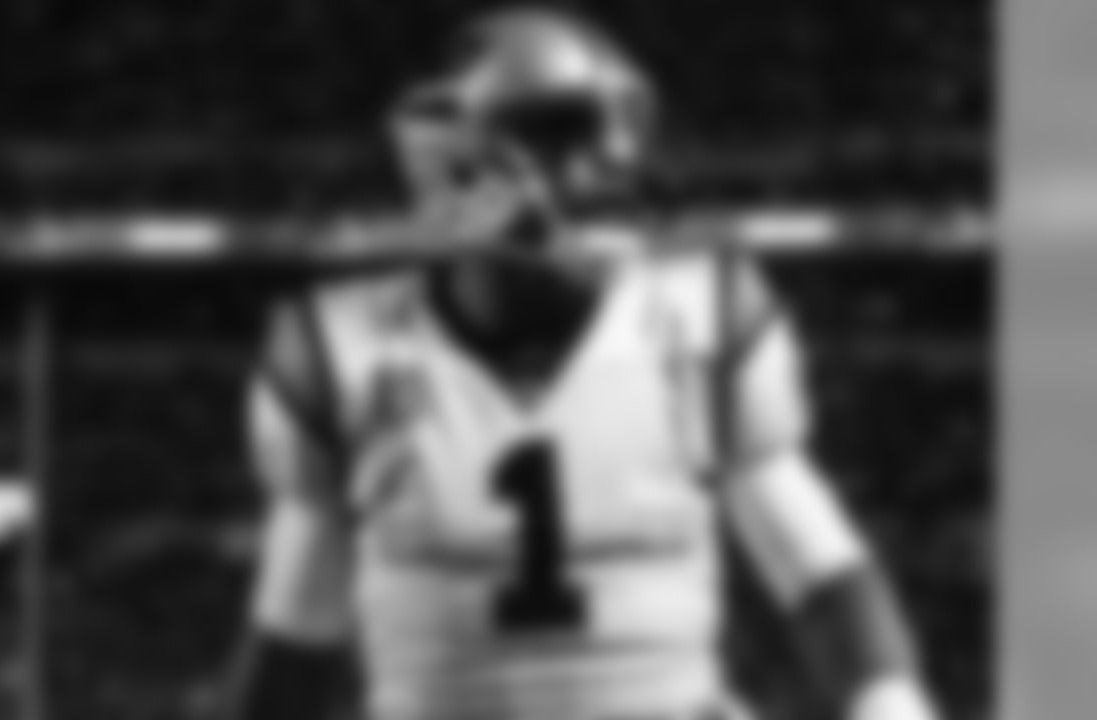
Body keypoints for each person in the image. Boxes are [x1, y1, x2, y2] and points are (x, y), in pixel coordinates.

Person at [225, 8, 941, 720]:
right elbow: (294, 640)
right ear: (458, 163)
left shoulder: (694, 322)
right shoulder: (351, 352)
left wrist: (890, 700)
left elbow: (818, 572)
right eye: (559, 138)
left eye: (608, 142)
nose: (604, 171)